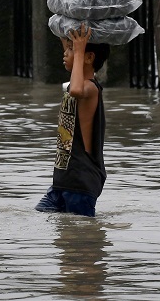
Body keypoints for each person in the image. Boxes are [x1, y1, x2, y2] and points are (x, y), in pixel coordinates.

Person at [35, 24, 110, 217]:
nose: (66, 53)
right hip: (62, 179)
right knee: (42, 219)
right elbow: (75, 76)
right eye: (68, 49)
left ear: (89, 58)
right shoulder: (78, 81)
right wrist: (69, 36)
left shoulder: (90, 88)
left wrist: (77, 51)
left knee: (81, 239)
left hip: (81, 181)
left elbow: (75, 90)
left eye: (72, 50)